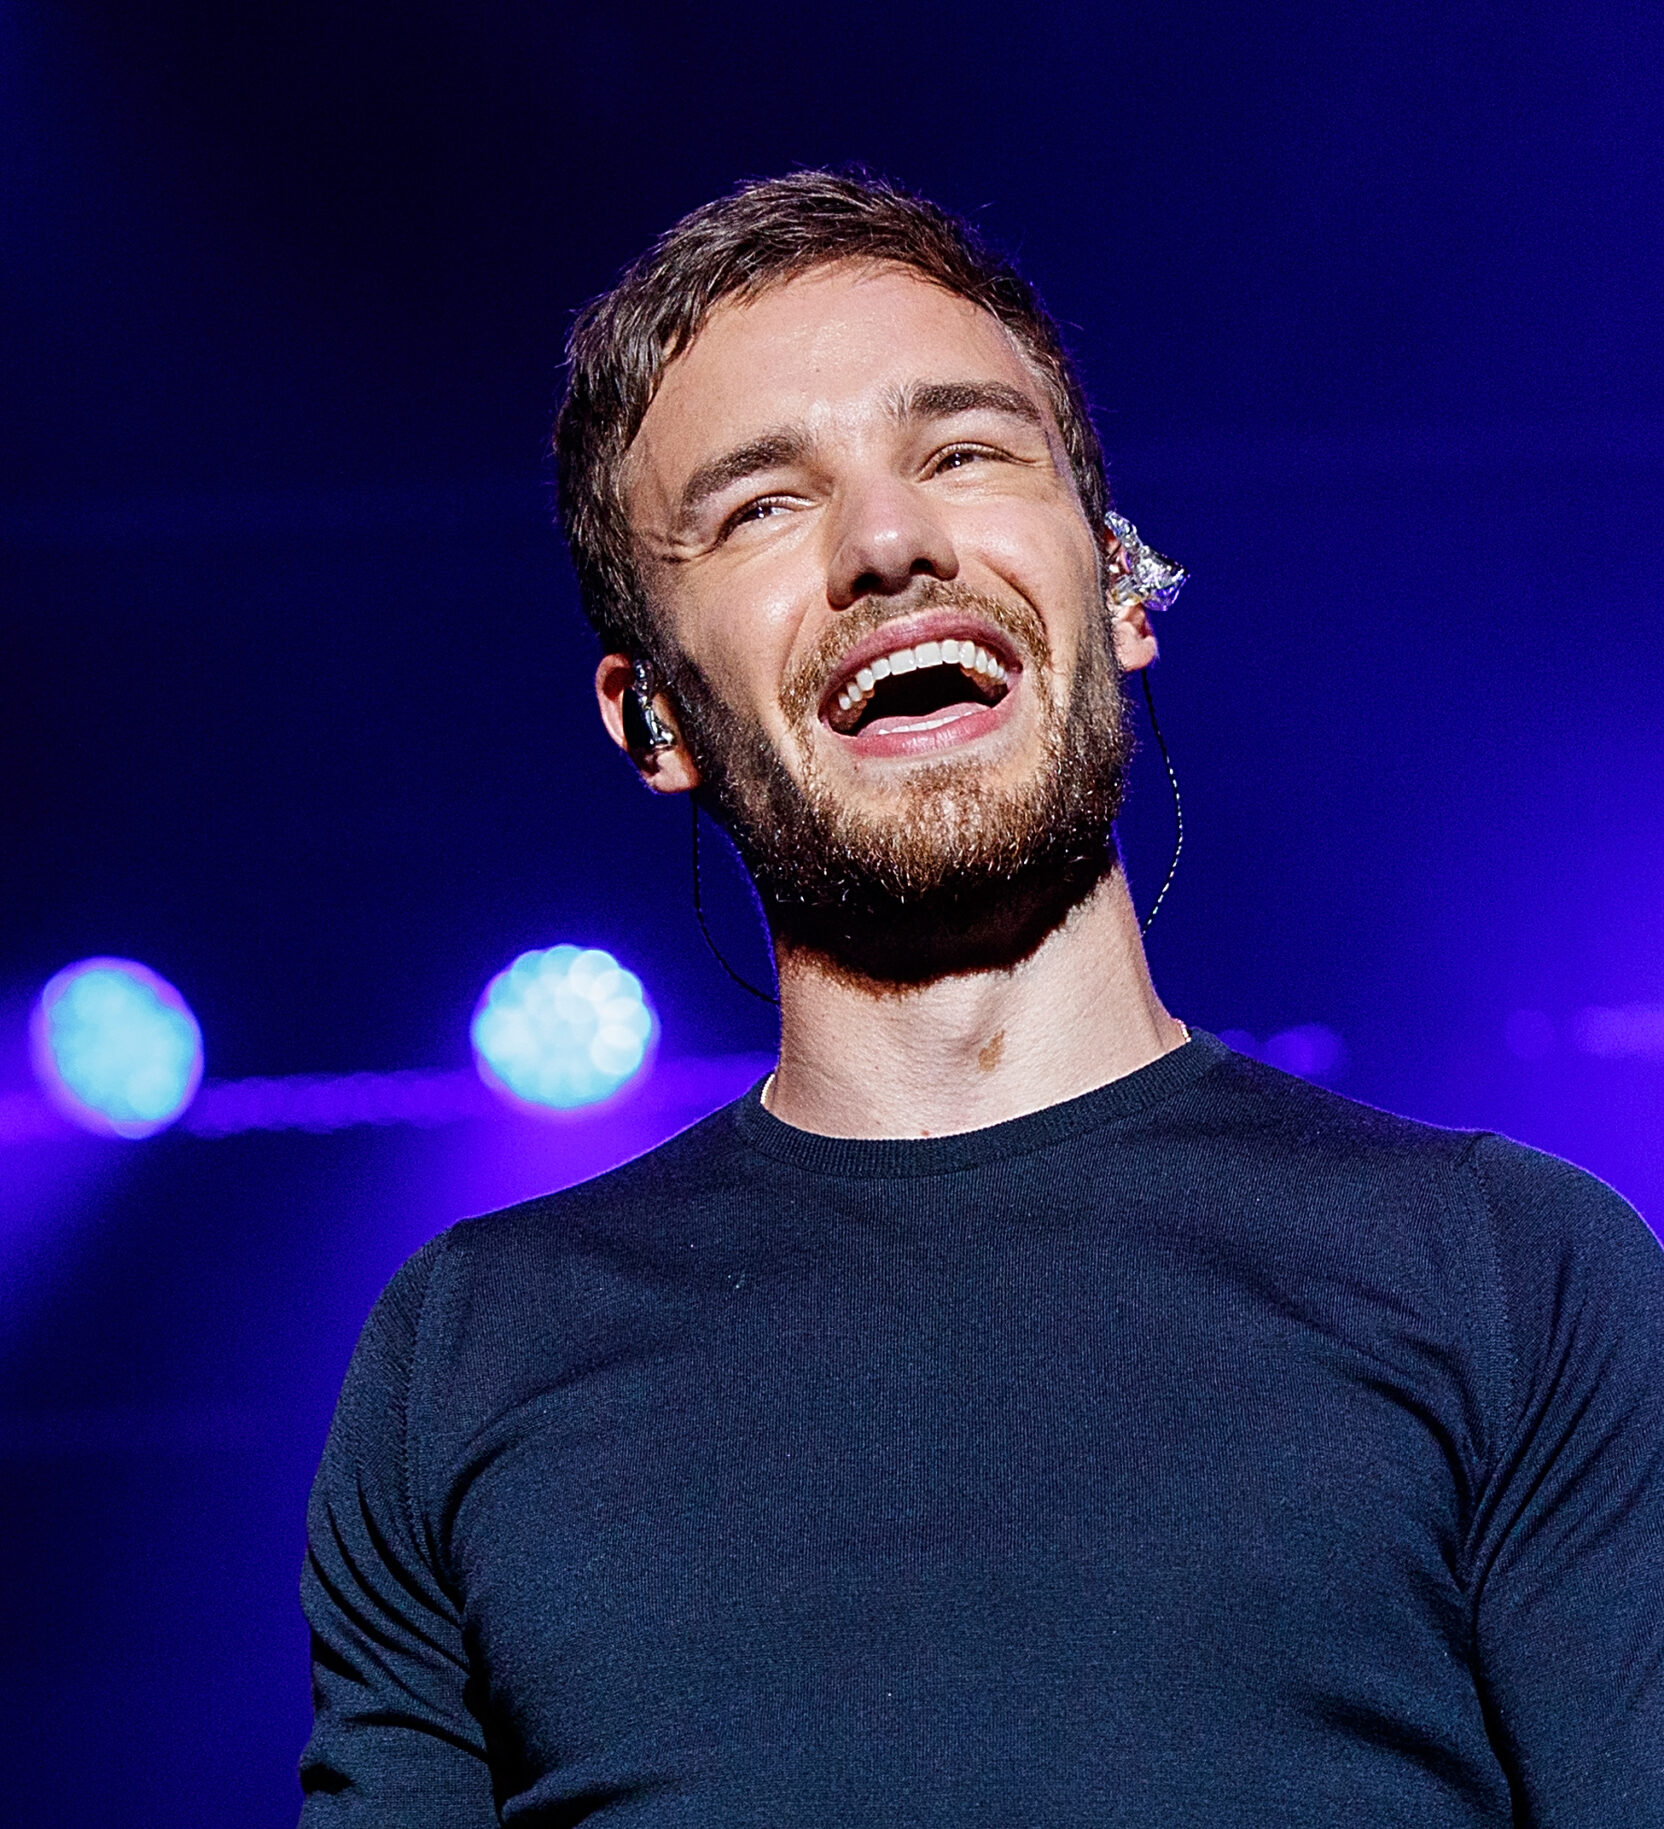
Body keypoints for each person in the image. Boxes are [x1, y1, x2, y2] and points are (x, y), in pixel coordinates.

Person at [297, 170, 1664, 1826]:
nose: (890, 543)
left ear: (1119, 582)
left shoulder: (1513, 1273)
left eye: (961, 451)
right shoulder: (466, 1353)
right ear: (653, 717)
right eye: (760, 507)